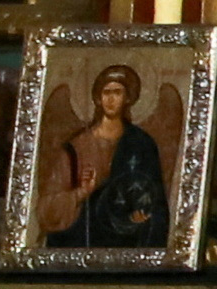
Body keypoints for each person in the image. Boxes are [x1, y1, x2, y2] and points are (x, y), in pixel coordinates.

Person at [39, 59, 166, 251]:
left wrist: (143, 214)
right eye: (106, 92)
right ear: (97, 98)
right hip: (83, 240)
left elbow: (155, 197)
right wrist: (81, 193)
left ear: (128, 98)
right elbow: (47, 208)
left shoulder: (142, 143)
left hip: (127, 242)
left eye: (117, 92)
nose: (111, 99)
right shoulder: (75, 147)